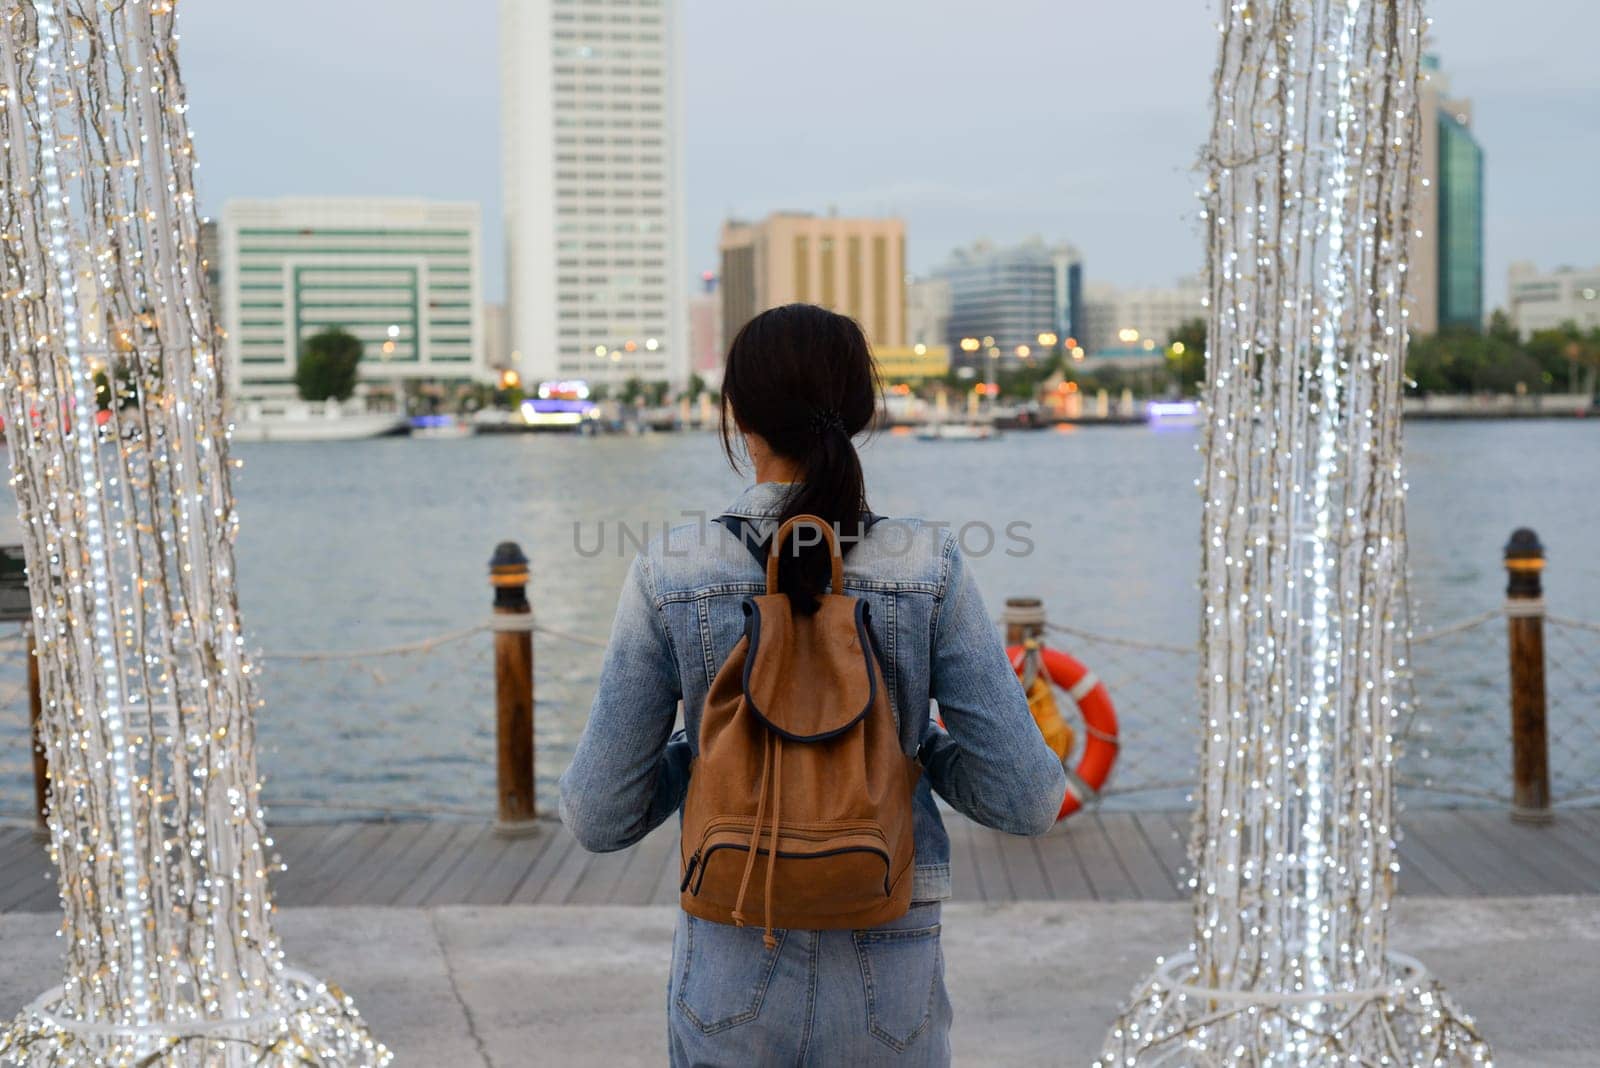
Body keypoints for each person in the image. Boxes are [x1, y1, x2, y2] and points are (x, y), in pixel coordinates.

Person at [559, 303, 1067, 1066]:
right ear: (861, 413)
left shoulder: (672, 570)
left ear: (738, 417)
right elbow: (1027, 800)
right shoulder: (928, 566)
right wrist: (909, 744)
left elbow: (599, 816)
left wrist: (706, 752)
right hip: (889, 943)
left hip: (733, 932)